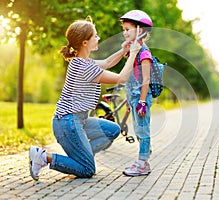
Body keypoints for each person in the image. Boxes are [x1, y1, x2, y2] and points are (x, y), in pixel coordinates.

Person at [29, 17, 141, 181]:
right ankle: (43, 157)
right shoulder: (84, 67)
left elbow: (108, 62)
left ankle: (82, 156)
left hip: (78, 120)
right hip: (68, 123)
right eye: (95, 36)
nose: (99, 38)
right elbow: (121, 78)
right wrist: (134, 53)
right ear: (84, 43)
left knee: (113, 130)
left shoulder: (83, 62)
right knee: (88, 169)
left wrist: (124, 49)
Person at [120, 10, 154, 176]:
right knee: (138, 130)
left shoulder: (144, 53)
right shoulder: (132, 51)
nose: (124, 32)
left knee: (142, 130)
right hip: (133, 98)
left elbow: (145, 80)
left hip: (141, 98)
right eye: (124, 29)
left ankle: (143, 162)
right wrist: (129, 101)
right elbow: (129, 78)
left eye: (128, 29)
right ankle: (144, 157)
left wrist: (142, 101)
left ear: (139, 30)